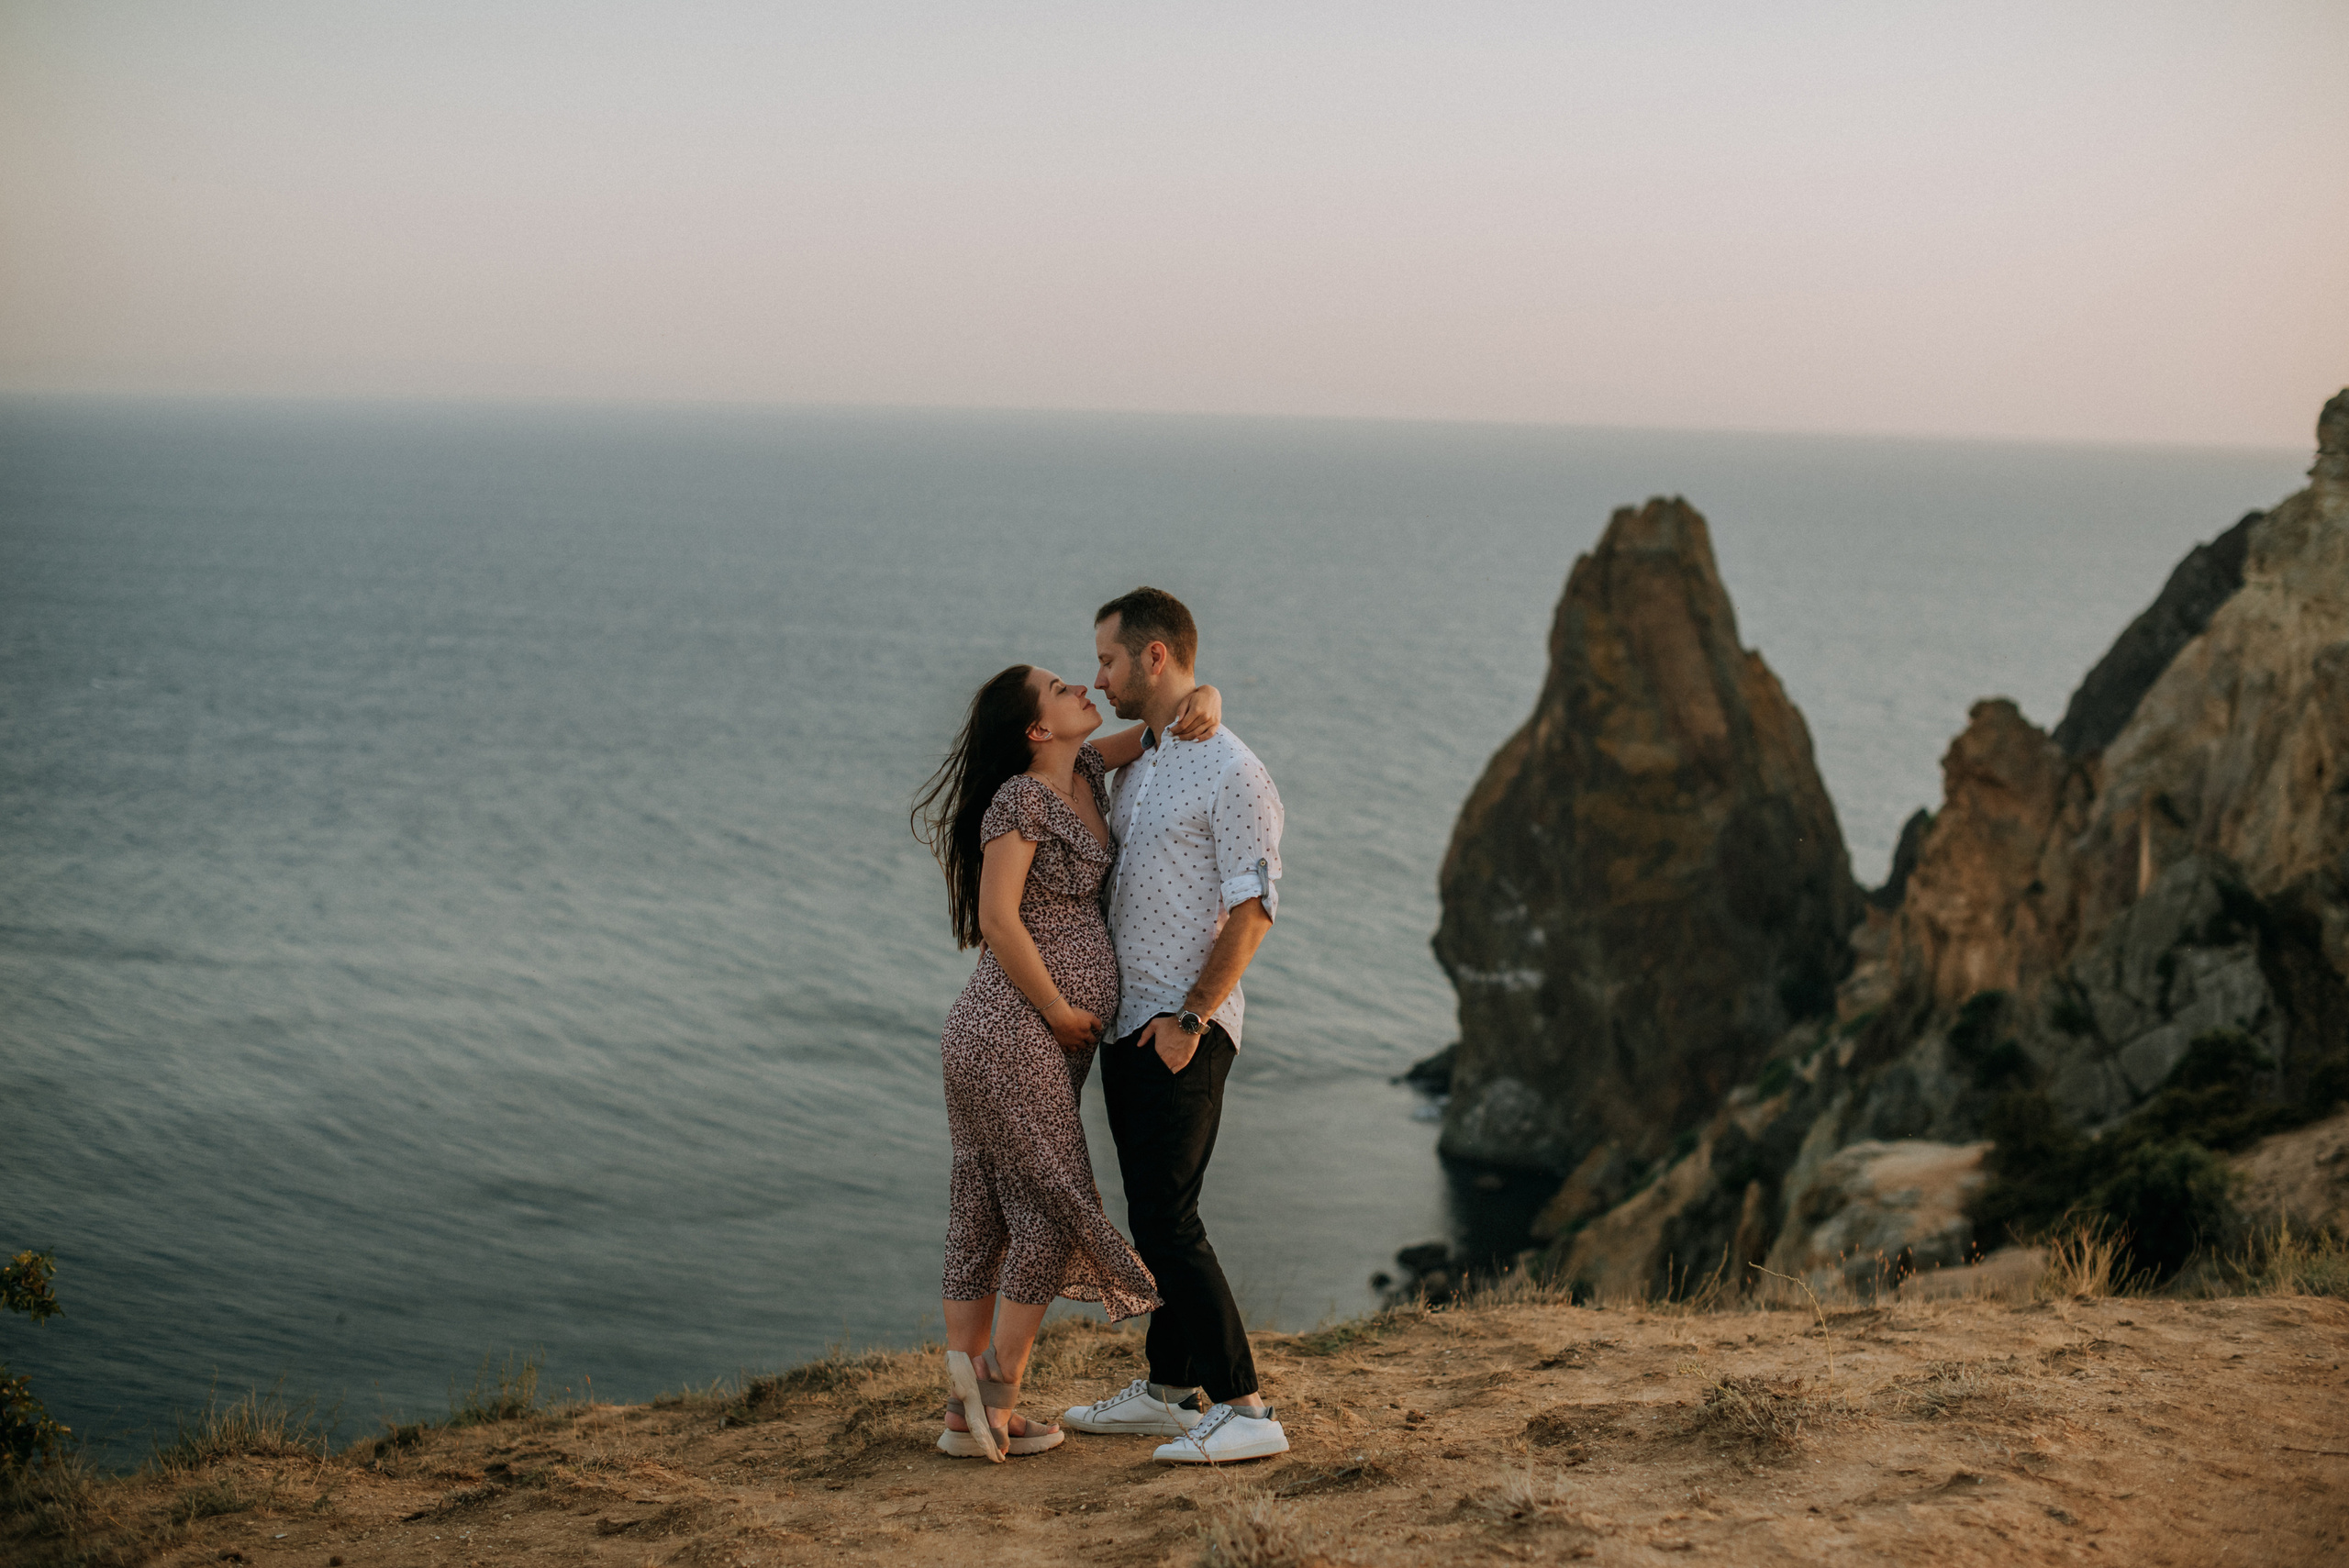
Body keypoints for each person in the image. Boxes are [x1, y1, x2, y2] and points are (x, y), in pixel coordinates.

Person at [912, 662, 1220, 1462]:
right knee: (1049, 1211)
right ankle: (995, 1399)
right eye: (1061, 689)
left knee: (987, 1203)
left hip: (1016, 1039)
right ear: (1035, 729)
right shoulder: (1020, 799)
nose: (1083, 687)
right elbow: (997, 917)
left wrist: (1207, 696)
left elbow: (1158, 728)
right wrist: (1054, 1006)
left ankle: (962, 1415)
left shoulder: (1083, 765)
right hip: (1010, 1030)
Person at [1061, 586, 1291, 1464]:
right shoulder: (1147, 755)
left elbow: (1254, 908)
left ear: (1154, 656)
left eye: (1109, 659)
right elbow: (1069, 755)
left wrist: (1190, 1017)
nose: (1098, 677)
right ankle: (1168, 1391)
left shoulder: (1234, 771)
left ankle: (1247, 1407)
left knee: (1168, 1219)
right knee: (1155, 1211)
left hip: (1181, 1026)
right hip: (1130, 1024)